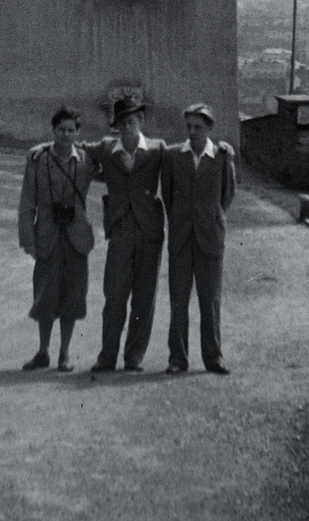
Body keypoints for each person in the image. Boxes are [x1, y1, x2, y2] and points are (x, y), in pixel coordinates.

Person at [82, 89, 166, 373]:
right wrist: (41, 149)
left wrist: (222, 149)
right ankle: (107, 356)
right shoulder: (107, 148)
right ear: (115, 127)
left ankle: (134, 357)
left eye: (132, 121)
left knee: (144, 297)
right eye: (121, 123)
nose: (127, 128)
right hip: (120, 230)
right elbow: (76, 148)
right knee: (115, 296)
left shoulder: (158, 149)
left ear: (141, 121)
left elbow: (183, 158)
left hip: (149, 231)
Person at [17, 104, 97, 371]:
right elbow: (27, 202)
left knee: (73, 296)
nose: (65, 135)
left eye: (71, 130)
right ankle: (43, 352)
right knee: (45, 296)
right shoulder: (37, 159)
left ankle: (64, 353)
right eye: (60, 130)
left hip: (76, 237)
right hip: (48, 237)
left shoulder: (86, 161)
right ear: (52, 131)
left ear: (77, 133)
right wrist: (28, 240)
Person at [160, 102, 236, 375]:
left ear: (210, 129)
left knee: (210, 301)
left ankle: (213, 358)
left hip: (210, 239)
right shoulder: (172, 157)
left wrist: (210, 218)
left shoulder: (222, 157)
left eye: (198, 127)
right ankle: (177, 360)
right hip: (181, 239)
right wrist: (182, 220)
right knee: (178, 301)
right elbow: (167, 196)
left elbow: (226, 195)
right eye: (189, 127)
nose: (192, 132)